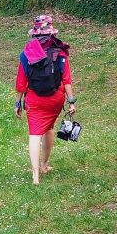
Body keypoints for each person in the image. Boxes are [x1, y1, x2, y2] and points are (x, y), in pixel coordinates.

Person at [15, 15, 76, 185]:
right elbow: (66, 80)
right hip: (55, 99)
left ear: (34, 34)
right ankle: (44, 165)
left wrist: (17, 103)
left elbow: (21, 83)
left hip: (34, 100)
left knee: (34, 134)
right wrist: (71, 102)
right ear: (51, 33)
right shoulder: (60, 52)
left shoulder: (26, 54)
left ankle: (35, 176)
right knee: (48, 128)